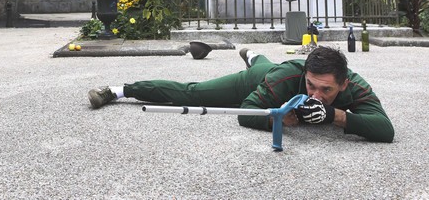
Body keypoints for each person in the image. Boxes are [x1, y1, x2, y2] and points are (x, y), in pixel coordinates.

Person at [88, 46, 394, 143]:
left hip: (274, 69)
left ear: (342, 84)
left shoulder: (356, 86)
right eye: (311, 85)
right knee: (195, 94)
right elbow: (246, 111)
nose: (315, 93)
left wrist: (338, 115)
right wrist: (278, 119)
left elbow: (385, 130)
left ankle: (253, 54)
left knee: (266, 63)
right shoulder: (289, 78)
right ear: (305, 76)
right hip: (261, 80)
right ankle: (119, 90)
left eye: (326, 89)